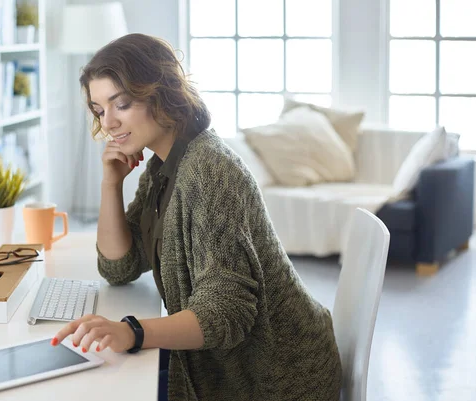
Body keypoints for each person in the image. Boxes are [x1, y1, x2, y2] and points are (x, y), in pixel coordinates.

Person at [51, 33, 342, 401]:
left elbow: (227, 312)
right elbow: (119, 267)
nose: (107, 122)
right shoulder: (161, 165)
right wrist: (110, 184)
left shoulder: (208, 171)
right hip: (234, 369)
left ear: (162, 93)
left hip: (278, 378)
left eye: (120, 104)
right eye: (98, 110)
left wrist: (132, 332)